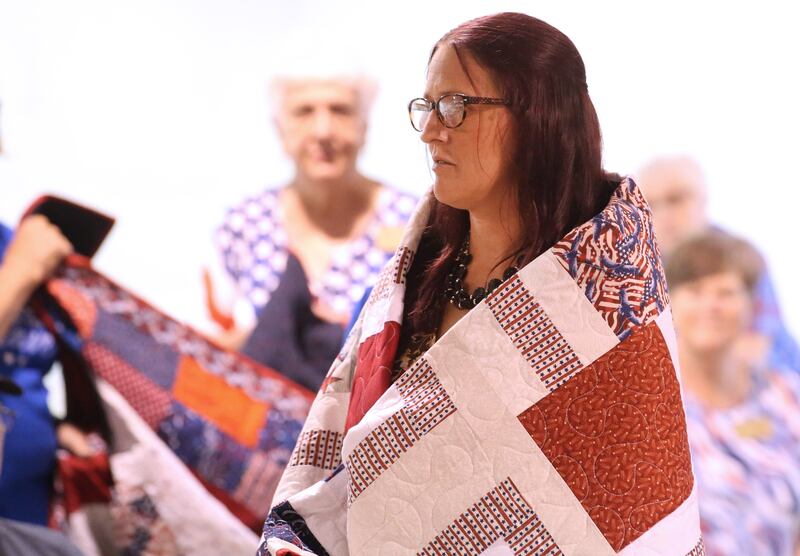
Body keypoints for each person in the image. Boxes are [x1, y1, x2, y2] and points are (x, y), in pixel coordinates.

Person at [256, 13, 700, 555]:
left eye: (457, 106)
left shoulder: (605, 293)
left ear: (539, 116)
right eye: (428, 106)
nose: (430, 130)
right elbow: (346, 462)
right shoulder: (415, 274)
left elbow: (628, 516)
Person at [205, 72, 417, 390]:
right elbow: (204, 350)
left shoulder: (413, 221)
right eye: (304, 112)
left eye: (340, 111)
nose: (323, 131)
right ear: (280, 128)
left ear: (365, 125)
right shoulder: (243, 225)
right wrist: (274, 328)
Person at [666, 230, 800, 555]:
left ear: (752, 305)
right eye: (695, 291)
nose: (710, 305)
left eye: (725, 292)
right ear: (669, 302)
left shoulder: (786, 395)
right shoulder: (655, 408)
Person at [638, 155, 800, 373]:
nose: (664, 215)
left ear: (703, 200)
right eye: (651, 205)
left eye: (675, 200)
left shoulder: (739, 257)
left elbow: (755, 347)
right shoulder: (637, 271)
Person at [0, 215, 90, 525]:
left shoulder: (18, 242)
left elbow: (22, 372)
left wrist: (55, 428)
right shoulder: (26, 255)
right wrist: (20, 271)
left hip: (30, 514)